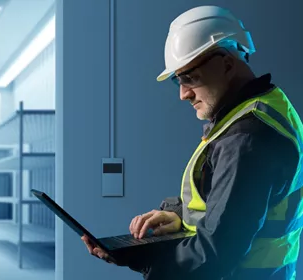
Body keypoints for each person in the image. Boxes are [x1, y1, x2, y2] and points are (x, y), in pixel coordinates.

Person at [82, 5, 303, 280]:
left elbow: (215, 254)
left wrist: (140, 259)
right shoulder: (264, 109)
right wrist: (181, 217)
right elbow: (228, 208)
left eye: (189, 78)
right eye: (178, 81)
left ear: (226, 64)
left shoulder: (247, 137)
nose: (183, 94)